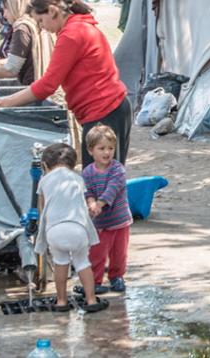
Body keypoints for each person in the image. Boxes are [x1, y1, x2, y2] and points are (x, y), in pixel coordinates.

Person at [0, 0, 133, 166]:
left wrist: (6, 102)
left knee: (101, 180)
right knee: (103, 178)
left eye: (41, 21)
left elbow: (48, 85)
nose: (42, 28)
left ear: (52, 11)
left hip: (104, 110)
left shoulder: (72, 34)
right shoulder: (78, 26)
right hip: (109, 108)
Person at [36, 143, 109, 313]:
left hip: (55, 230)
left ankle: (61, 301)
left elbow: (42, 208)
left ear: (45, 166)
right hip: (78, 229)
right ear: (72, 165)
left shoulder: (44, 180)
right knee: (83, 262)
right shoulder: (77, 179)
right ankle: (91, 300)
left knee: (60, 262)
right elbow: (82, 203)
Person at [81, 125, 132, 295]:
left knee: (119, 252)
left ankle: (117, 276)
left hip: (120, 220)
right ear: (90, 150)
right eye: (101, 148)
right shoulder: (87, 172)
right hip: (100, 222)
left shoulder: (117, 169)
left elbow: (112, 189)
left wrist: (98, 204)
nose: (107, 153)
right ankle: (95, 280)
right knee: (97, 253)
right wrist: (90, 204)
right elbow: (88, 191)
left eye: (110, 148)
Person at [0, 0, 46, 84]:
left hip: (28, 88)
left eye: (6, 9)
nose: (4, 15)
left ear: (16, 5)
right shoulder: (34, 23)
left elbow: (11, 69)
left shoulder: (22, 29)